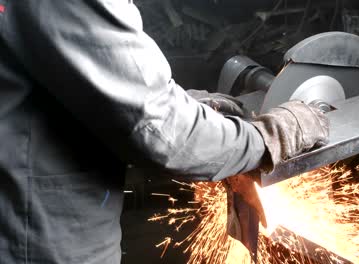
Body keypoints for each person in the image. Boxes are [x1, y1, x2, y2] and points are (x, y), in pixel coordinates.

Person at [0, 1, 329, 263]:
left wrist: (182, 104)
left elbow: (77, 73)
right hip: (37, 237)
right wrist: (274, 136)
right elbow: (165, 136)